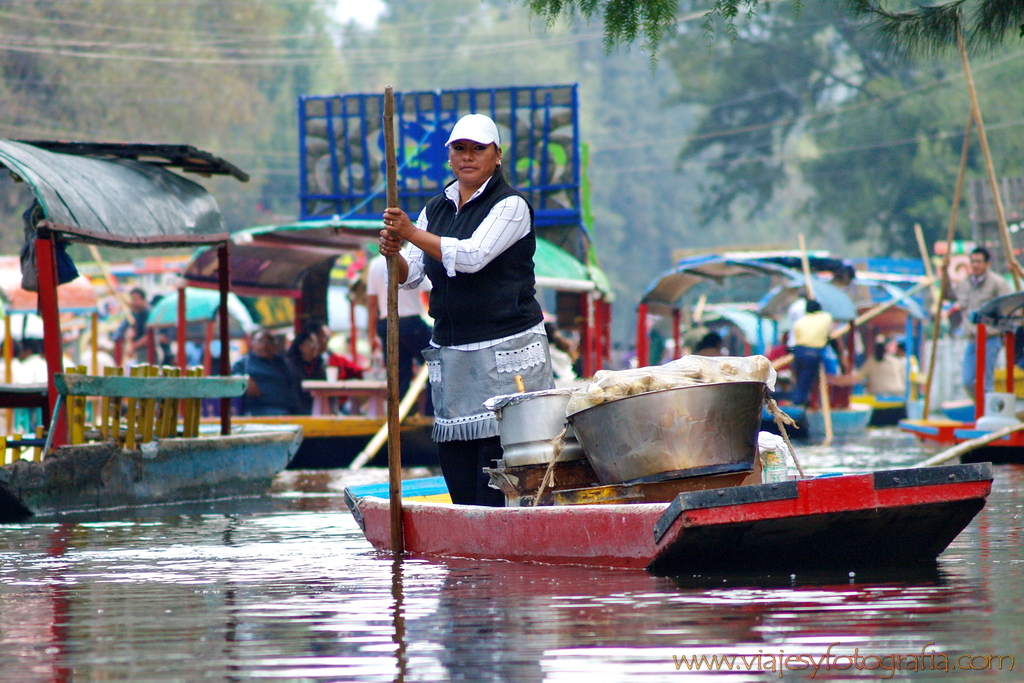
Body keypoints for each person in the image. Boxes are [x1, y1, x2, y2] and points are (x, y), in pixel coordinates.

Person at [379, 113, 555, 507]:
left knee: (504, 473)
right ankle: (467, 562)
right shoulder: (434, 209)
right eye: (460, 149)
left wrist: (410, 233)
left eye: (478, 149)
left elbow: (473, 256)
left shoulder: (511, 205)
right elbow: (410, 275)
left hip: (508, 352)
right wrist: (395, 254)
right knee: (459, 470)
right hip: (454, 355)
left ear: (497, 156)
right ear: (450, 156)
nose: (468, 157)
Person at [945, 246, 1012, 397]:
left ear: (987, 264)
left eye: (979, 261)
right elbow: (948, 294)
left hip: (990, 338)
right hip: (972, 339)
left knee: (985, 382)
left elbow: (1009, 308)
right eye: (973, 261)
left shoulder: (998, 283)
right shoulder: (964, 284)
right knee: (967, 381)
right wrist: (944, 273)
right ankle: (980, 410)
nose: (975, 265)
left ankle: (988, 412)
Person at [365, 253, 432, 399]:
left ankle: (401, 415)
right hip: (410, 323)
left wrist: (372, 335)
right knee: (435, 363)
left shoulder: (375, 264)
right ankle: (429, 412)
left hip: (387, 324)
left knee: (398, 374)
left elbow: (372, 304)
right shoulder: (413, 259)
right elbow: (430, 296)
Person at [231, 329, 301, 416]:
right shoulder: (243, 363)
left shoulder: (281, 363)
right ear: (252, 344)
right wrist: (243, 379)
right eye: (260, 341)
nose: (264, 346)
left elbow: (291, 386)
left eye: (269, 342)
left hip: (286, 409)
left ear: (275, 345)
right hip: (257, 410)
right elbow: (231, 379)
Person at [789, 299, 833, 405]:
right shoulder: (826, 317)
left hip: (798, 351)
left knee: (800, 381)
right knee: (805, 382)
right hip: (812, 353)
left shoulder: (799, 322)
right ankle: (798, 404)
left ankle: (801, 401)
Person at [285, 328, 326, 414]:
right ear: (301, 346)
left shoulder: (320, 364)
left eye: (316, 343)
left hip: (317, 404)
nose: (315, 347)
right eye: (311, 343)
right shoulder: (289, 364)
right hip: (295, 408)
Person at [112, 287, 150, 363]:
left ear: (143, 300)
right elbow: (120, 330)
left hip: (148, 352)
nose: (133, 302)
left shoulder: (149, 313)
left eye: (135, 299)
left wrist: (133, 346)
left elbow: (149, 336)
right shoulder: (134, 314)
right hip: (137, 352)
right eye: (132, 299)